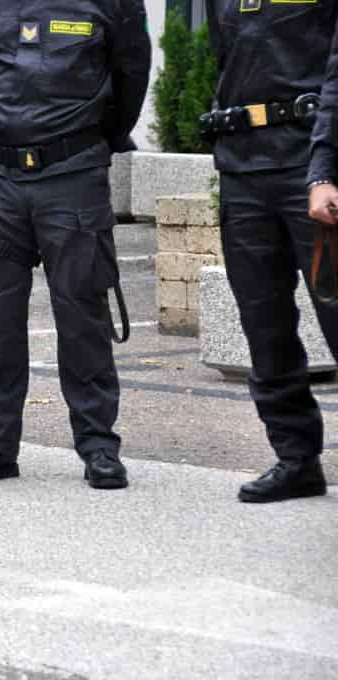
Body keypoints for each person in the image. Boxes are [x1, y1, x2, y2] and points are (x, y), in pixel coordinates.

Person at [0, 0, 151, 489]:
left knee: (82, 317)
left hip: (72, 174)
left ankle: (98, 445)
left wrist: (94, 140)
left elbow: (131, 75)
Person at [201, 0, 335, 502]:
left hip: (313, 167)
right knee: (264, 325)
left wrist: (325, 169)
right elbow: (229, 60)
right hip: (243, 168)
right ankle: (296, 458)